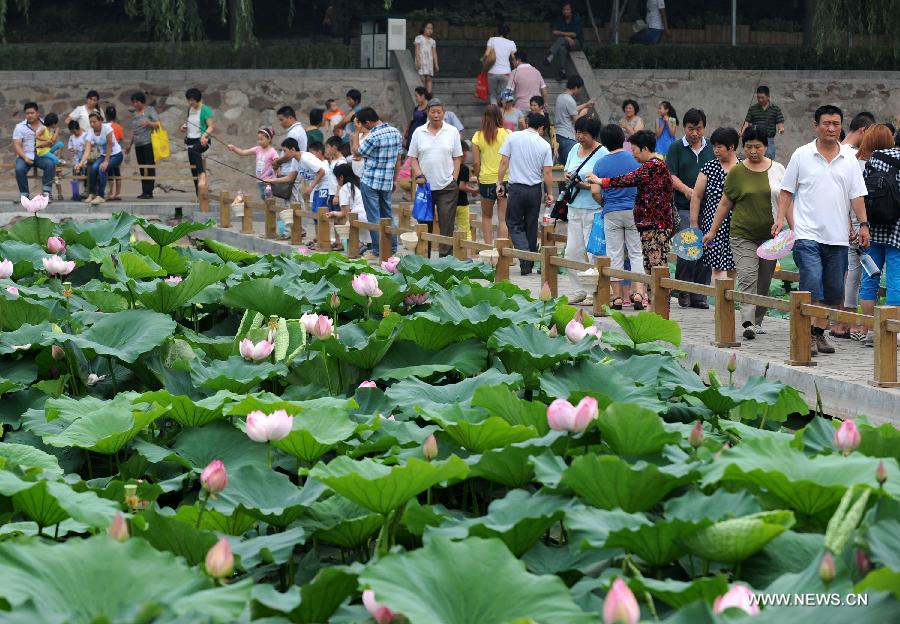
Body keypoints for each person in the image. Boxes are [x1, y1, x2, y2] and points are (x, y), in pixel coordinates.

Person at [774, 105, 869, 356]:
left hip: (837, 237)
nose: (831, 128)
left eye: (836, 124)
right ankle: (805, 335)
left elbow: (857, 195)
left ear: (841, 126)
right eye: (826, 123)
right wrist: (780, 218)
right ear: (815, 125)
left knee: (833, 293)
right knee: (812, 284)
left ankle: (818, 334)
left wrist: (864, 225)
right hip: (807, 234)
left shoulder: (849, 158)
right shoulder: (801, 155)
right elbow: (786, 191)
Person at [702, 126, 785, 339]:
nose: (754, 151)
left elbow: (787, 201)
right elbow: (724, 203)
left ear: (766, 146)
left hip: (771, 235)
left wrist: (791, 227)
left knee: (765, 279)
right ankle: (747, 322)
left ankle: (757, 320)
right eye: (748, 147)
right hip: (742, 234)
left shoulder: (778, 169)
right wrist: (712, 231)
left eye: (758, 146)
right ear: (742, 147)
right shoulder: (737, 172)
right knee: (748, 275)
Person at [590, 130, 676, 281]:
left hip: (654, 225)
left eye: (635, 150)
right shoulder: (657, 165)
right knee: (649, 263)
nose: (633, 154)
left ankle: (659, 303)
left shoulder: (652, 166)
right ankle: (649, 300)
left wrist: (600, 181)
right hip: (653, 224)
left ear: (644, 148)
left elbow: (628, 179)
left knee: (656, 265)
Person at [591, 124, 645, 309]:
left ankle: (618, 297)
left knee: (614, 254)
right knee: (636, 252)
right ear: (623, 138)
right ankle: (638, 293)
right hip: (633, 211)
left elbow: (595, 191)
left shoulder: (600, 164)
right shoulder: (634, 159)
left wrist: (604, 203)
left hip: (612, 211)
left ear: (604, 143)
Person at [496, 112, 554, 275]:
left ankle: (526, 257)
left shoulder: (513, 137)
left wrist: (499, 182)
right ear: (541, 127)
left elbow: (504, 162)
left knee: (513, 223)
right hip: (535, 190)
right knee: (531, 225)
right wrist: (549, 193)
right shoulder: (544, 145)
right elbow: (548, 173)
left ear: (528, 123)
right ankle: (527, 265)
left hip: (516, 189)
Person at [668, 108, 715, 308]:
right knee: (689, 247)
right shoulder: (676, 148)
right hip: (684, 205)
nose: (694, 133)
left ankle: (700, 293)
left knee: (706, 247)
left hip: (709, 206)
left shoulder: (712, 147)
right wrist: (688, 190)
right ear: (684, 128)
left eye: (698, 129)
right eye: (690, 129)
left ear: (704, 128)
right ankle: (683, 290)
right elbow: (670, 175)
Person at [856, 126, 898, 347]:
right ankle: (892, 333)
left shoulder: (875, 158)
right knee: (896, 282)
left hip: (872, 229)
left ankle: (871, 331)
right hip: (898, 233)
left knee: (869, 280)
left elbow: (862, 191)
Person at [408, 99, 463, 257]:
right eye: (433, 112)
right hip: (425, 186)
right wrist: (418, 174)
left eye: (439, 112)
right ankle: (424, 256)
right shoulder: (419, 132)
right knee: (424, 223)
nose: (436, 115)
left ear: (444, 113)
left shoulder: (452, 131)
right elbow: (413, 158)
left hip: (447, 185)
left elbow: (457, 158)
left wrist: (454, 178)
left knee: (447, 224)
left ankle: (445, 259)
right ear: (427, 113)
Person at [562, 117, 608, 305]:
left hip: (594, 208)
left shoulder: (602, 153)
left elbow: (605, 183)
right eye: (578, 132)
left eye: (584, 134)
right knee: (571, 252)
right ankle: (580, 288)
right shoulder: (574, 149)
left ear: (593, 135)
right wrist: (569, 178)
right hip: (574, 207)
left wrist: (585, 186)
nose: (580, 137)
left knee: (593, 253)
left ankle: (593, 291)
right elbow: (568, 170)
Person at [690, 127, 740, 282]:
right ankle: (720, 305)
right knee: (717, 266)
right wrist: (694, 223)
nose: (715, 150)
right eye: (714, 146)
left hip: (737, 224)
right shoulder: (709, 168)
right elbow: (697, 195)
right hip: (713, 225)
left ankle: (729, 305)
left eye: (719, 147)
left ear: (731, 147)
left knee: (733, 266)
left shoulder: (743, 169)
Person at [352, 107, 403, 256]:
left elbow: (356, 152)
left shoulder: (372, 136)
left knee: (373, 217)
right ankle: (392, 249)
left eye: (362, 124)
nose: (362, 127)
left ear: (367, 122)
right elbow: (398, 158)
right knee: (387, 215)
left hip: (370, 181)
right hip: (387, 181)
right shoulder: (395, 132)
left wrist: (356, 133)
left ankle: (378, 250)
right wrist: (395, 180)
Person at [472, 105, 510, 244]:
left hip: (486, 181)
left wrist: (478, 177)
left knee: (487, 217)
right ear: (499, 117)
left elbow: (476, 163)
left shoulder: (477, 136)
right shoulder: (507, 134)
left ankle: (487, 249)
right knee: (503, 218)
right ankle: (502, 251)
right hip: (504, 179)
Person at [77, 112, 123, 205]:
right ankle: (92, 194)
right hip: (103, 155)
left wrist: (106, 161)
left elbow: (109, 145)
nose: (92, 124)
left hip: (116, 154)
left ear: (100, 121)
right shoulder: (91, 131)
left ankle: (101, 196)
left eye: (94, 122)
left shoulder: (107, 128)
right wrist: (81, 163)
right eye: (91, 122)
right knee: (93, 168)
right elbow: (87, 150)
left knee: (102, 168)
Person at [13, 102, 56, 200]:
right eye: (27, 113)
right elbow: (17, 144)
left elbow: (52, 139)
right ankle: (24, 194)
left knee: (50, 164)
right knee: (19, 168)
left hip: (42, 154)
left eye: (32, 113)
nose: (29, 115)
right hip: (26, 154)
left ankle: (46, 193)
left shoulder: (46, 124)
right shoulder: (20, 127)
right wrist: (25, 157)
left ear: (37, 113)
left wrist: (50, 143)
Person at [325, 162, 372, 252]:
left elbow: (344, 213)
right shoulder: (358, 184)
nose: (336, 181)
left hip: (358, 217)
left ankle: (359, 246)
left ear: (341, 177)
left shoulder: (345, 188)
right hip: (369, 216)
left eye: (336, 178)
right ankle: (368, 245)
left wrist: (333, 213)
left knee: (347, 223)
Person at [227, 127, 278, 200]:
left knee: (269, 200)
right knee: (264, 199)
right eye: (258, 139)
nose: (259, 141)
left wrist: (274, 175)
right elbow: (243, 152)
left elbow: (277, 162)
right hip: (260, 180)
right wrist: (234, 148)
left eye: (261, 139)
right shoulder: (257, 149)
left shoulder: (272, 151)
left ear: (269, 139)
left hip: (268, 182)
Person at [126, 92, 160, 199]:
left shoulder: (150, 110)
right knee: (142, 168)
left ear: (142, 102)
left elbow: (158, 124)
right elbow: (134, 131)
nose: (135, 104)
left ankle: (149, 191)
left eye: (137, 102)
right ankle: (144, 191)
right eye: (134, 102)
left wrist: (148, 123)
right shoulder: (135, 114)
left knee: (149, 167)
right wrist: (130, 145)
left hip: (148, 143)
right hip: (138, 144)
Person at [555, 75, 595, 166]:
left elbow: (571, 109)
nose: (579, 91)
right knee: (571, 164)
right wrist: (583, 114)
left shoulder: (560, 97)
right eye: (579, 88)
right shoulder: (570, 100)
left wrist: (585, 105)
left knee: (562, 165)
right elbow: (575, 120)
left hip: (558, 134)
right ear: (576, 87)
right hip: (568, 136)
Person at [180, 87, 214, 194]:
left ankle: (202, 175)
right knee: (193, 169)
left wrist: (204, 136)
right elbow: (190, 122)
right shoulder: (190, 109)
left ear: (197, 99)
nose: (190, 102)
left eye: (192, 100)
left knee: (195, 150)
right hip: (190, 141)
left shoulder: (205, 109)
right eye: (189, 100)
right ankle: (198, 196)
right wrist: (184, 126)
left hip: (202, 140)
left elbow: (211, 126)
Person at [273, 106, 308, 204]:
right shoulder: (299, 130)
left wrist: (277, 162)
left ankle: (294, 219)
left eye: (282, 120)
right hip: (295, 169)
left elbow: (289, 154)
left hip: (292, 170)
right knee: (295, 199)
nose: (280, 123)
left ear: (290, 118)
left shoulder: (294, 132)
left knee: (293, 201)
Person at [739, 86, 785, 159]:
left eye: (762, 97)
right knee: (754, 157)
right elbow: (746, 122)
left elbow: (780, 122)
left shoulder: (775, 109)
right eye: (758, 97)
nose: (760, 100)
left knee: (769, 158)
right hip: (756, 138)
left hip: (769, 139)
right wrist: (742, 131)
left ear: (768, 96)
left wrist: (781, 129)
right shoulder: (753, 109)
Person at [546, 2, 583, 80]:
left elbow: (574, 34)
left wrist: (561, 34)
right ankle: (563, 72)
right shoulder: (561, 19)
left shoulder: (576, 19)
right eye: (564, 10)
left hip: (576, 43)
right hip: (565, 43)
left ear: (571, 10)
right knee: (562, 49)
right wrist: (567, 37)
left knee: (560, 39)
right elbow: (555, 32)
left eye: (567, 9)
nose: (565, 11)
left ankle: (550, 57)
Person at [483, 25, 517, 105]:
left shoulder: (492, 40)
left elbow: (487, 54)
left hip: (492, 72)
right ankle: (503, 113)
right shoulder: (511, 43)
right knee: (504, 95)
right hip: (506, 73)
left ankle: (494, 114)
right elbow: (514, 58)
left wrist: (483, 59)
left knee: (493, 95)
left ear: (498, 32)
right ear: (508, 34)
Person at [455, 140, 478, 241]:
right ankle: (467, 254)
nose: (465, 158)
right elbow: (462, 186)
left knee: (449, 229)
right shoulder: (463, 168)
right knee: (465, 230)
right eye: (463, 155)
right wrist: (474, 191)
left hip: (449, 201)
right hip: (462, 203)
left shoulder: (448, 166)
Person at [104, 106, 124, 201]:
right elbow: (120, 141)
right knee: (117, 172)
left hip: (109, 153)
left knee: (110, 173)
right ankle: (118, 193)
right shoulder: (119, 127)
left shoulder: (105, 127)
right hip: (117, 152)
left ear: (106, 115)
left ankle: (111, 193)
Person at [414, 21, 439, 94]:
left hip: (429, 62)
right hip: (422, 60)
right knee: (422, 78)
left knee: (429, 78)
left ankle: (428, 95)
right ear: (423, 28)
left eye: (431, 28)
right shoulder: (419, 38)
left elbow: (434, 53)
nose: (430, 30)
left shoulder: (432, 41)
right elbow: (417, 50)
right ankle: (423, 94)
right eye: (428, 28)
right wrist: (418, 61)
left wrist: (436, 64)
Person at [66, 121, 88, 200]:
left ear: (78, 128)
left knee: (86, 177)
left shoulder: (85, 136)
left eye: (74, 131)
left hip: (85, 162)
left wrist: (84, 148)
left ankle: (86, 193)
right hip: (75, 161)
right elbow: (70, 148)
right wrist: (72, 150)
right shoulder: (72, 137)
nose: (73, 133)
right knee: (75, 177)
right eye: (72, 132)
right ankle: (75, 194)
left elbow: (90, 148)